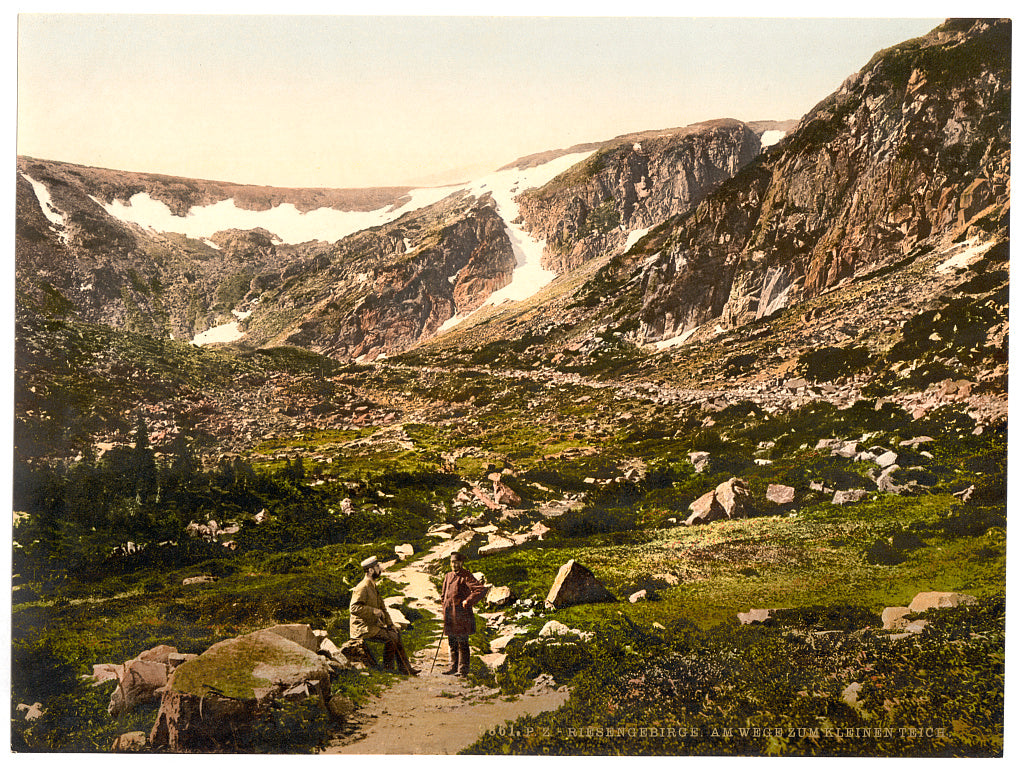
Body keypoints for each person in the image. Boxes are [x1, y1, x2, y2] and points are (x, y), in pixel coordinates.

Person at [349, 556, 418, 675]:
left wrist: (391, 625)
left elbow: (383, 609)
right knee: (391, 638)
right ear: (370, 570)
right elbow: (353, 608)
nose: (380, 569)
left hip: (372, 625)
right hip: (362, 627)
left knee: (395, 633)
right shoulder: (363, 587)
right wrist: (373, 611)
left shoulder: (373, 585)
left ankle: (405, 668)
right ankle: (388, 669)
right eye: (377, 567)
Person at [440, 551, 488, 676]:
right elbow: (443, 594)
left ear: (461, 563)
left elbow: (480, 589)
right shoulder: (448, 576)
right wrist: (444, 606)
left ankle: (462, 670)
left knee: (462, 642)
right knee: (452, 641)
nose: (454, 565)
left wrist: (468, 600)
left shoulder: (466, 576)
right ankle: (453, 667)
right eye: (452, 562)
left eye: (457, 562)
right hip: (450, 614)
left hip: (461, 615)